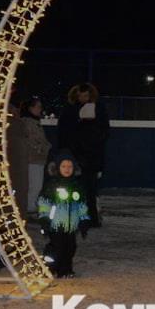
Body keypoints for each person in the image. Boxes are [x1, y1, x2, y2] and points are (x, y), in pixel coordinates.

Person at [58, 83, 110, 229]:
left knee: (89, 189)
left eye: (85, 95)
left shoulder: (97, 110)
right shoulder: (70, 111)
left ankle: (90, 218)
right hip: (77, 155)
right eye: (80, 95)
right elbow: (63, 133)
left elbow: (104, 132)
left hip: (89, 156)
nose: (82, 98)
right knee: (76, 188)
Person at [38, 150, 91, 278]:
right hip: (56, 224)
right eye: (64, 166)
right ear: (58, 168)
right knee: (56, 247)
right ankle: (49, 267)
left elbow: (82, 205)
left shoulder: (76, 186)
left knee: (70, 247)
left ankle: (65, 269)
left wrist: (84, 220)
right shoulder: (52, 185)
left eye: (70, 166)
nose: (67, 169)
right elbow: (44, 204)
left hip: (71, 226)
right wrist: (44, 219)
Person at [8, 96, 51, 216]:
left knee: (35, 184)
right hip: (33, 158)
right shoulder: (27, 123)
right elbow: (31, 140)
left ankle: (30, 206)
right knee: (34, 184)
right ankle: (30, 207)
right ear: (30, 108)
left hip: (37, 158)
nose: (40, 109)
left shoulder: (34, 122)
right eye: (38, 107)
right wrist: (43, 147)